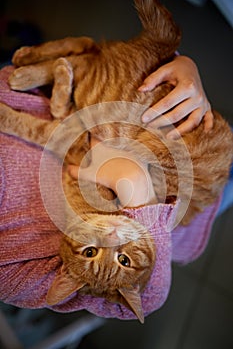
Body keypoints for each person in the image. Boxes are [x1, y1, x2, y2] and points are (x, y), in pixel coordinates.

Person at [0, 54, 232, 320]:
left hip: (162, 122)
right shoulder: (6, 270)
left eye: (91, 251)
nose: (111, 236)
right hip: (190, 205)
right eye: (123, 259)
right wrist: (136, 185)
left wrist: (175, 64)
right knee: (224, 178)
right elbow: (148, 300)